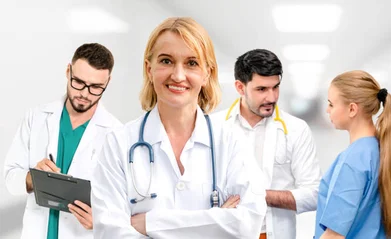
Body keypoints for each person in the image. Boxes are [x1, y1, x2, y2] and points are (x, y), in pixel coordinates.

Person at [90, 17, 267, 238]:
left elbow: (246, 225)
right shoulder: (119, 144)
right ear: (149, 69)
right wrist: (214, 222)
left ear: (207, 74)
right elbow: (110, 232)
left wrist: (152, 224)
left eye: (192, 63)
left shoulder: (232, 143)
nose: (178, 75)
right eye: (166, 61)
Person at [3, 43, 122, 239]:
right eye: (78, 82)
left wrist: (102, 221)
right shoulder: (37, 117)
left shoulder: (116, 134)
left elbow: (124, 204)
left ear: (107, 82)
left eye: (95, 87)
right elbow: (10, 178)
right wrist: (33, 177)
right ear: (68, 71)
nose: (84, 93)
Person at [213, 49, 321, 239]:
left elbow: (314, 194)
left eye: (275, 87)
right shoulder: (213, 127)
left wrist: (257, 195)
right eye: (261, 89)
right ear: (240, 87)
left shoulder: (296, 129)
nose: (271, 97)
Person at [314, 70, 391, 239]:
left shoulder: (352, 161)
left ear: (352, 109)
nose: (327, 110)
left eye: (331, 104)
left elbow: (334, 235)